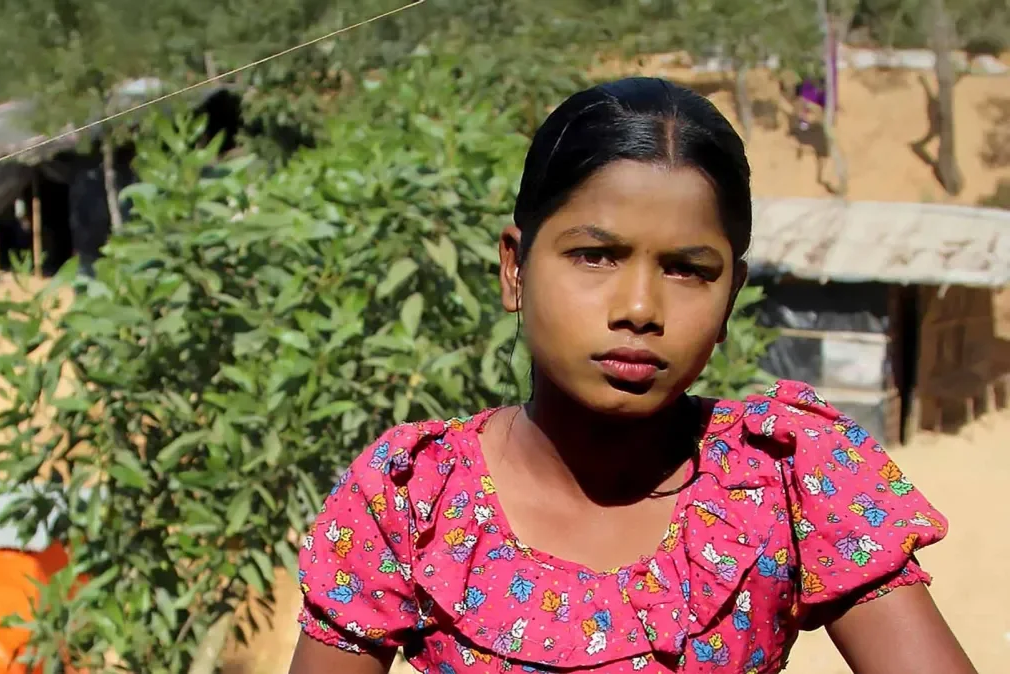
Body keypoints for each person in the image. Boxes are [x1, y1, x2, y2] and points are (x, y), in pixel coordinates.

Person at [288, 78, 974, 674]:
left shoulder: (790, 477)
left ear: (731, 296)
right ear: (514, 268)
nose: (640, 309)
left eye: (687, 270)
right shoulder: (411, 499)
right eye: (595, 256)